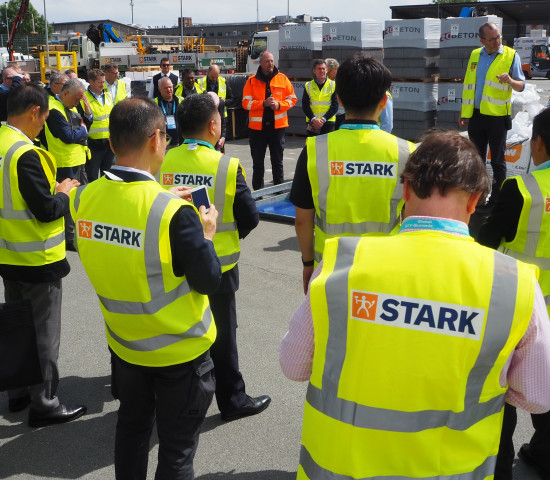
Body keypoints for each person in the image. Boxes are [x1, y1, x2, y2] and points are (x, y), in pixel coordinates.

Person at [280, 129, 550, 480]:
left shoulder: (341, 263)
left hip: (339, 469)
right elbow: (537, 396)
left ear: (405, 190)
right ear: (475, 200)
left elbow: (293, 365)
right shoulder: (515, 284)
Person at [69, 97, 221, 479]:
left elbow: (123, 216)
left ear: (114, 141)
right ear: (156, 139)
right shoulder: (173, 214)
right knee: (176, 451)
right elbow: (208, 281)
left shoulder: (84, 198)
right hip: (179, 354)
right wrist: (204, 235)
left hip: (125, 347)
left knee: (132, 430)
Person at [159, 94, 270, 422]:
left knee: (182, 328)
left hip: (174, 264)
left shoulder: (163, 160)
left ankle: (181, 396)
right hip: (220, 265)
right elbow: (249, 217)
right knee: (223, 334)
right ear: (213, 125)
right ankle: (232, 400)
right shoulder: (225, 164)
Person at [290, 55, 414, 293]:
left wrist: (307, 263)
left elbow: (302, 220)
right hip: (384, 271)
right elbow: (412, 220)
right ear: (383, 101)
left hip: (329, 271)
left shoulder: (315, 151)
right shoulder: (407, 153)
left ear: (339, 100)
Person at [0, 83, 86, 427]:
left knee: (17, 328)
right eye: (45, 117)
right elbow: (47, 210)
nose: (44, 124)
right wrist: (64, 192)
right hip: (37, 259)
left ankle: (18, 393)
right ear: (35, 112)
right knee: (44, 335)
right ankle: (45, 403)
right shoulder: (25, 154)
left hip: (8, 254)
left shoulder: (3, 143)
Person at [478, 107, 550, 480]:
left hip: (518, 305)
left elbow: (487, 242)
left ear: (537, 144)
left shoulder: (521, 189)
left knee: (502, 387)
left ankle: (500, 466)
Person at [459, 21, 526, 207]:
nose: (498, 41)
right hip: (476, 116)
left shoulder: (511, 56)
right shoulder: (474, 56)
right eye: (493, 39)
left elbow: (522, 86)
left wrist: (511, 80)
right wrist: (464, 112)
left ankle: (498, 200)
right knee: (476, 160)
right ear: (482, 41)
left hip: (497, 118)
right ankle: (478, 199)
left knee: (497, 160)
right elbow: (468, 86)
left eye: (499, 37)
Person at [44, 78, 91, 250]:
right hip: (65, 163)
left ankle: (75, 235)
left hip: (77, 159)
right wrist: (83, 130)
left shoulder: (67, 105)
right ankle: (70, 239)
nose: (78, 102)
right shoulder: (54, 110)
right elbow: (67, 135)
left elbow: (83, 126)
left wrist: (84, 124)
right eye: (77, 99)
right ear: (65, 93)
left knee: (79, 199)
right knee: (68, 201)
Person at [242, 50, 297, 190]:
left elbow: (292, 99)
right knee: (258, 163)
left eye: (272, 61)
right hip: (257, 130)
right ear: (260, 63)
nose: (270, 64)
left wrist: (279, 105)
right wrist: (263, 103)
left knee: (277, 162)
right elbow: (245, 103)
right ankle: (258, 193)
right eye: (267, 61)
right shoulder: (251, 81)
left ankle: (279, 192)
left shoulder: (283, 79)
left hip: (277, 128)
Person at [78, 68, 114, 181]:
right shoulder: (84, 98)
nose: (102, 84)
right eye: (100, 82)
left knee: (108, 176)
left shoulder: (108, 96)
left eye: (103, 82)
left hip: (109, 143)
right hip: (93, 144)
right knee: (92, 176)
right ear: (91, 82)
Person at [302, 59, 338, 136]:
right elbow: (305, 105)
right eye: (319, 69)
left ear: (327, 70)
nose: (321, 71)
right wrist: (313, 119)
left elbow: (335, 105)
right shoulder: (308, 85)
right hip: (312, 123)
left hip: (328, 122)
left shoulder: (333, 85)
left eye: (323, 68)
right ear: (314, 71)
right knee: (312, 145)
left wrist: (323, 119)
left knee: (327, 147)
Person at [155, 76, 183, 148]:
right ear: (159, 89)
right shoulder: (154, 103)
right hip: (162, 145)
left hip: (179, 143)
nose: (169, 90)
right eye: (165, 88)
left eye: (170, 87)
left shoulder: (181, 101)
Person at [325, 58, 345, 129]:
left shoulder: (343, 79)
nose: (326, 74)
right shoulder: (327, 80)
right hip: (330, 115)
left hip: (341, 114)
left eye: (328, 72)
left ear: (335, 69)